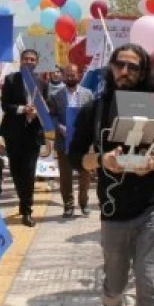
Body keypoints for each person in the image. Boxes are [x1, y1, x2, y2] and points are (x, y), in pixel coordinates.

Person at [69, 44, 154, 306]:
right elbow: (76, 156)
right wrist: (102, 160)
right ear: (111, 67)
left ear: (143, 73)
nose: (125, 72)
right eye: (120, 65)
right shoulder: (95, 109)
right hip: (113, 212)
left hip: (150, 209)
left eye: (133, 67)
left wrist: (152, 163)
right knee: (114, 285)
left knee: (148, 284)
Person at [0, 49, 47, 227]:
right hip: (13, 132)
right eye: (26, 58)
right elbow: (5, 105)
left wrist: (37, 113)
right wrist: (22, 109)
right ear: (21, 61)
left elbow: (46, 106)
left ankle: (27, 210)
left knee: (29, 172)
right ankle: (22, 199)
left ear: (37, 62)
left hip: (33, 134)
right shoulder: (11, 80)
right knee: (16, 171)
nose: (29, 61)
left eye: (32, 59)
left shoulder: (41, 82)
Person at [48, 64, 94, 217]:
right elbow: (52, 116)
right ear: (63, 76)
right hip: (64, 141)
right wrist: (60, 127)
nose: (70, 78)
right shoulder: (56, 96)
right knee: (65, 176)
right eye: (67, 75)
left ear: (79, 75)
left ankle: (84, 202)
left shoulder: (88, 94)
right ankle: (68, 205)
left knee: (85, 174)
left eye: (73, 75)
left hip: (83, 142)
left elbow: (92, 115)